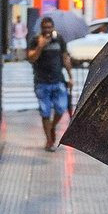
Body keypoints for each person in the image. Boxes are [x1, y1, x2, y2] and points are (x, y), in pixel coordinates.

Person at [25, 15, 72, 152]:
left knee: (61, 108)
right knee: (45, 111)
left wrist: (70, 77)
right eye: (45, 28)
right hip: (42, 81)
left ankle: (52, 126)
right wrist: (40, 46)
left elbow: (65, 57)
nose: (47, 30)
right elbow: (31, 58)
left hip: (58, 79)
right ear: (41, 28)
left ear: (53, 28)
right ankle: (49, 141)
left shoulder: (59, 39)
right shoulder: (35, 40)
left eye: (49, 27)